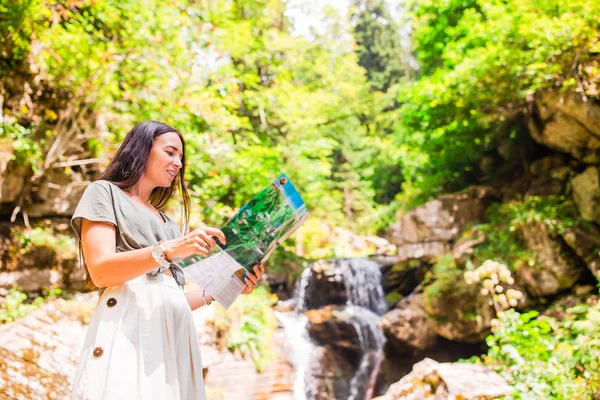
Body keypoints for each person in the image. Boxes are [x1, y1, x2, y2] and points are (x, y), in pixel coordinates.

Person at [70, 120, 265, 400]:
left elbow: (171, 299)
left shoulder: (169, 224)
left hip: (174, 337)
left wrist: (228, 285)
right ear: (142, 149)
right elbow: (100, 272)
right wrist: (167, 250)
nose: (178, 164)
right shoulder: (104, 193)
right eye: (170, 152)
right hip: (127, 328)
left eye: (181, 158)